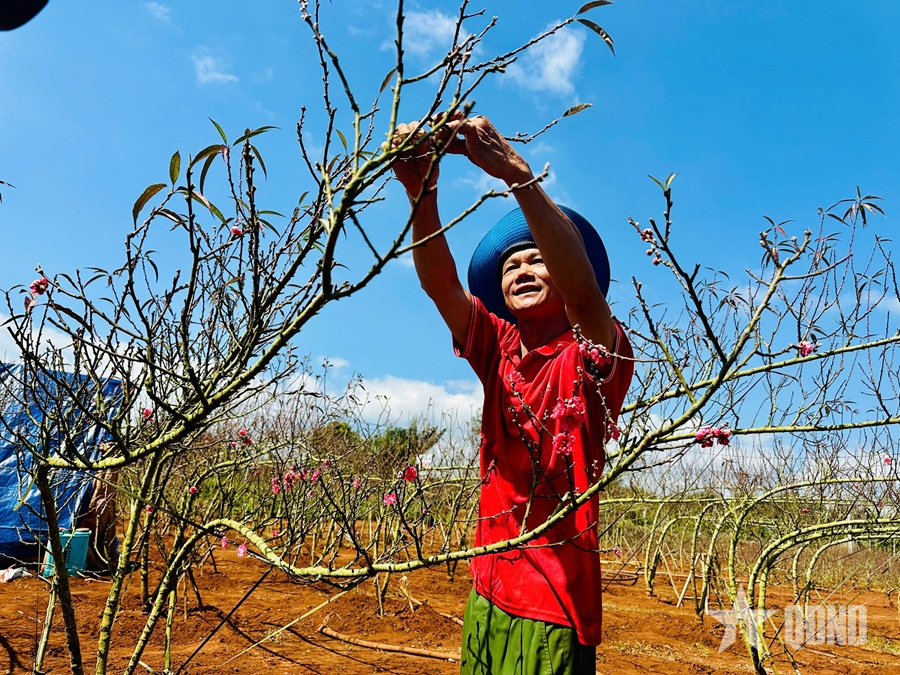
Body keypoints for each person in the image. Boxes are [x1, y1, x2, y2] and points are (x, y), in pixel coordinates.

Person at [389, 111, 634, 674]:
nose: (521, 268)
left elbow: (585, 298)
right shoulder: (497, 346)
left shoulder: (595, 352)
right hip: (489, 581)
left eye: (537, 259)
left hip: (553, 602)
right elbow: (440, 286)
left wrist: (517, 175)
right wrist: (419, 186)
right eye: (510, 265)